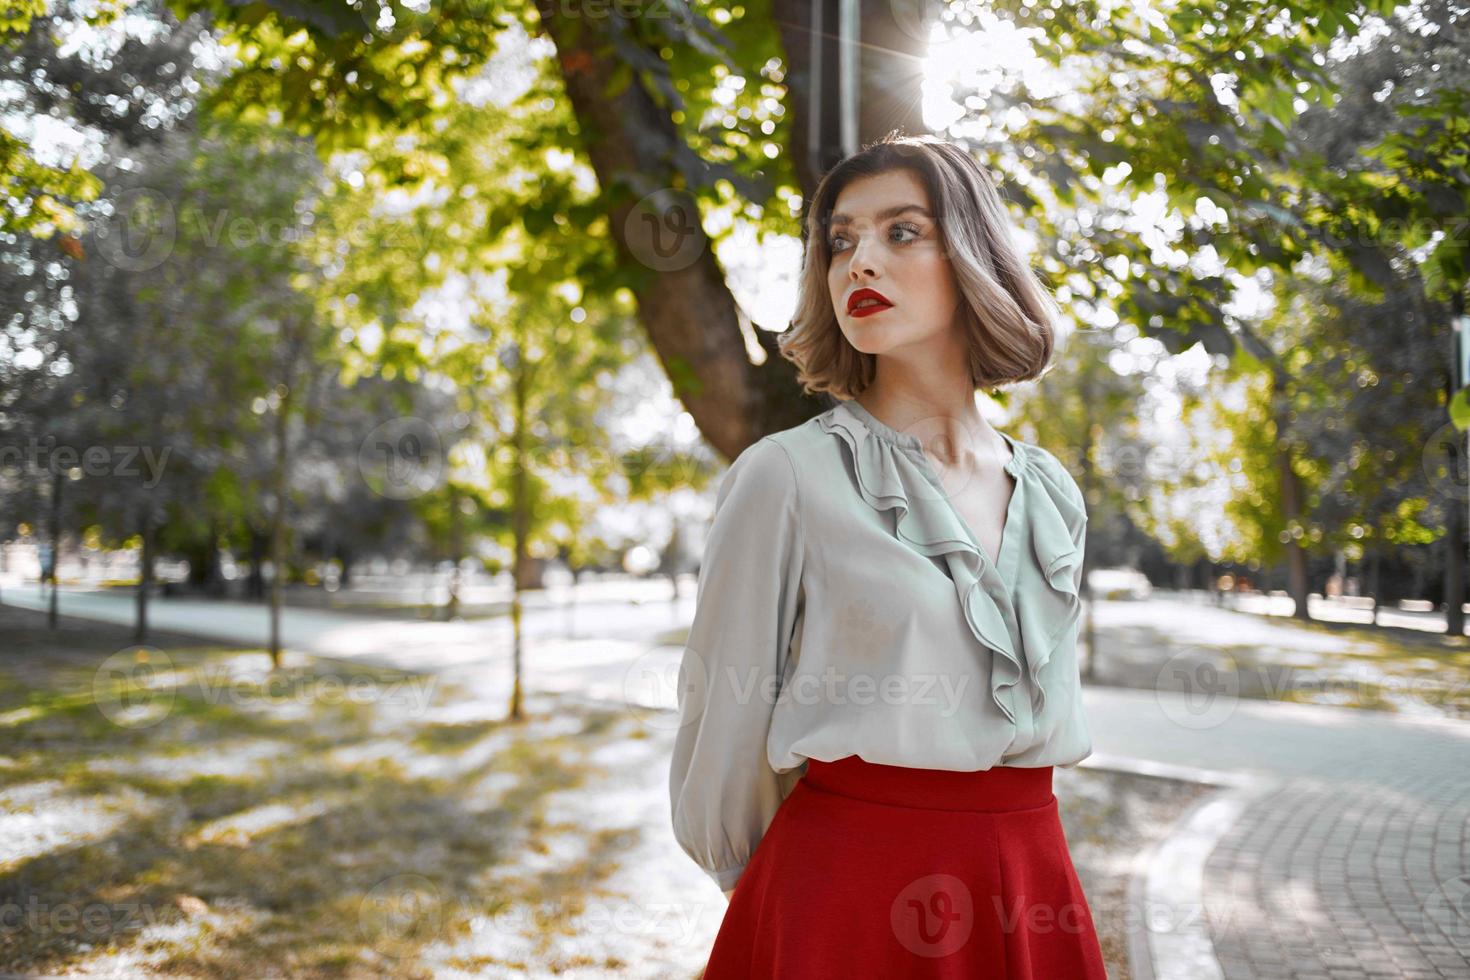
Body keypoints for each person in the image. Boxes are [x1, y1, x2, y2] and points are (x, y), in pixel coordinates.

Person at [668, 132, 1106, 978]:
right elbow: (722, 721)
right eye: (840, 240)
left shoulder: (1052, 491)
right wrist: (789, 900)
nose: (858, 262)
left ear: (973, 258)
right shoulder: (785, 476)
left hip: (1030, 876)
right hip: (845, 892)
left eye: (901, 232)